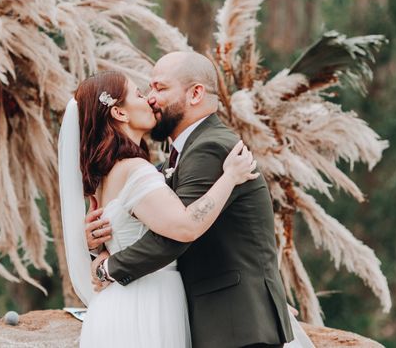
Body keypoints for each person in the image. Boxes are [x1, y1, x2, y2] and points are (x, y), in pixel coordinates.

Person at [60, 51, 312, 348]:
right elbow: (163, 223)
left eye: (159, 88)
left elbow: (175, 237)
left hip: (232, 317)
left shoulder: (210, 147)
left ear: (195, 94)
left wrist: (108, 267)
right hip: (171, 311)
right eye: (145, 91)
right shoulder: (161, 162)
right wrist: (99, 242)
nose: (151, 98)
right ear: (118, 112)